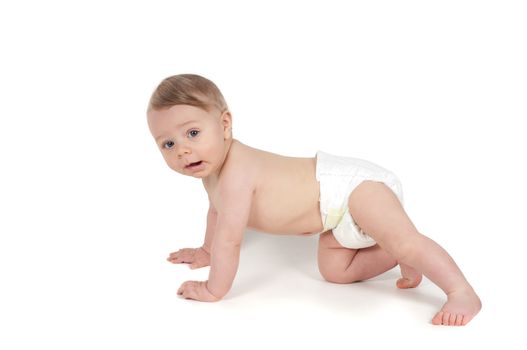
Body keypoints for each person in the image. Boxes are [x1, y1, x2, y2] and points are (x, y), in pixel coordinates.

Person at [146, 74, 481, 326]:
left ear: (224, 124)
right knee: (335, 271)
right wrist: (206, 251)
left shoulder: (237, 172)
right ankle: (393, 252)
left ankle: (460, 291)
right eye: (168, 144)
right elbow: (216, 213)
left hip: (350, 187)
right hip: (332, 218)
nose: (183, 149)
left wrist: (213, 289)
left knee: (408, 242)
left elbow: (230, 239)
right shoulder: (212, 175)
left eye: (192, 133)